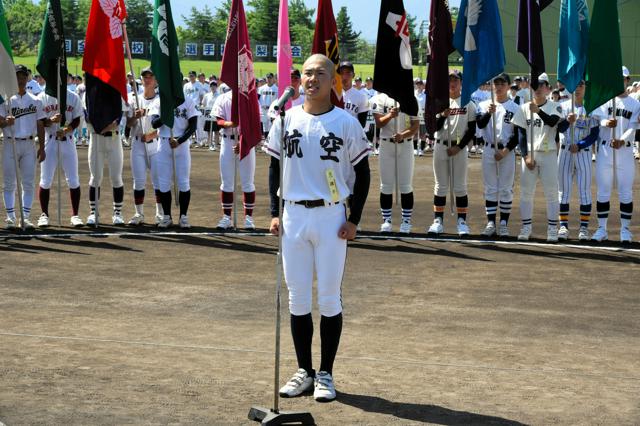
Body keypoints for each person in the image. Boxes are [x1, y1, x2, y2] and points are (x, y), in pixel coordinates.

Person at [268, 54, 370, 402]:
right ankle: (303, 371)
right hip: (293, 215)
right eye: (307, 73)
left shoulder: (345, 123)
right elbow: (274, 167)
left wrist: (354, 219)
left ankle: (325, 373)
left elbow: (363, 173)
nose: (312, 78)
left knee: (328, 298)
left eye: (320, 73)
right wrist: (274, 211)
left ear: (333, 82)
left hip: (331, 218)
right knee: (297, 298)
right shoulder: (286, 119)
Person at [591, 66, 640, 242]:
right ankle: (601, 229)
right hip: (605, 150)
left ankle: (625, 230)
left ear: (627, 80)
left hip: (625, 151)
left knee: (625, 192)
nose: (621, 81)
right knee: (603, 192)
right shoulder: (605, 99)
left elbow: (634, 127)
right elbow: (597, 117)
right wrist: (605, 121)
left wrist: (622, 140)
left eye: (624, 78)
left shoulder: (635, 104)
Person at [511, 73, 562, 242]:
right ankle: (526, 227)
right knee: (526, 193)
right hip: (530, 156)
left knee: (551, 193)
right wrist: (525, 156)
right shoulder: (524, 108)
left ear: (548, 88)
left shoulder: (555, 106)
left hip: (548, 154)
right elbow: (521, 134)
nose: (539, 89)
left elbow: (553, 122)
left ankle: (552, 229)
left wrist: (538, 111)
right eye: (536, 86)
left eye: (542, 85)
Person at [427, 69, 476, 236]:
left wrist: (459, 147)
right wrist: (442, 114)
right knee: (440, 186)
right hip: (441, 146)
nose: (452, 83)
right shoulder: (439, 101)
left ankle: (462, 222)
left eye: (456, 80)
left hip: (458, 148)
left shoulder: (468, 103)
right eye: (450, 80)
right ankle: (438, 221)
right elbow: (433, 127)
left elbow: (472, 130)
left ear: (461, 83)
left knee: (460, 187)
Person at [476, 73, 523, 237]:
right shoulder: (483, 105)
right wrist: (489, 113)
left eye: (503, 83)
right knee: (490, 187)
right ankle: (490, 222)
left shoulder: (515, 108)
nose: (499, 86)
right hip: (489, 148)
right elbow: (480, 124)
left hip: (507, 151)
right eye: (496, 83)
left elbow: (518, 135)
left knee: (505, 188)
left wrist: (505, 151)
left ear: (508, 86)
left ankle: (503, 223)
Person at [0, 65, 46, 229]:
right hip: (10, 143)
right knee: (9, 183)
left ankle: (25, 217)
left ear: (28, 78)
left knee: (28, 183)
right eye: (18, 75)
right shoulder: (6, 100)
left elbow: (40, 123)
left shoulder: (35, 100)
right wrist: (6, 121)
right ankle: (11, 217)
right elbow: (0, 121)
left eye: (23, 76)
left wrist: (42, 146)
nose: (20, 79)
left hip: (28, 144)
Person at [149, 89, 200, 228]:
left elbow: (193, 125)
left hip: (181, 145)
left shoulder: (188, 100)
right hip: (164, 143)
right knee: (164, 183)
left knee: (183, 182)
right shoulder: (159, 101)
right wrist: (167, 111)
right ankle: (167, 216)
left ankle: (183, 216)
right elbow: (154, 123)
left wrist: (180, 140)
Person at [555, 80, 599, 241]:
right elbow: (558, 129)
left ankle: (584, 229)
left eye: (581, 85)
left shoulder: (591, 108)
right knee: (564, 192)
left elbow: (594, 134)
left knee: (584, 192)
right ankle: (564, 227)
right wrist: (567, 121)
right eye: (576, 85)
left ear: (586, 87)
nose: (578, 88)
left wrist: (580, 145)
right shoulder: (562, 106)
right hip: (565, 152)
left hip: (583, 153)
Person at [371, 89, 419, 233]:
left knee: (405, 185)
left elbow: (415, 126)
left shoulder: (410, 98)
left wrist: (402, 135)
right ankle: (387, 220)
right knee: (385, 185)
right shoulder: (379, 99)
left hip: (405, 144)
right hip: (386, 143)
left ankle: (406, 221)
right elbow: (379, 123)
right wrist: (391, 115)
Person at [37, 85, 84, 227]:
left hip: (68, 140)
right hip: (49, 139)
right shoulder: (42, 97)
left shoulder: (73, 96)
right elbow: (40, 121)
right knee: (45, 180)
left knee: (73, 179)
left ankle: (75, 215)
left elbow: (76, 119)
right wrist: (50, 121)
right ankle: (44, 214)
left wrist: (67, 129)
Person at [212, 84, 258, 230]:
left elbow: (255, 123)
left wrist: (244, 142)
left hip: (246, 143)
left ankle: (248, 218)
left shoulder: (249, 99)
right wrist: (229, 123)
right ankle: (226, 217)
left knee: (248, 182)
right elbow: (218, 121)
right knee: (226, 182)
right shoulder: (223, 98)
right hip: (227, 140)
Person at [125, 67, 164, 226]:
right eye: (144, 76)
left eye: (150, 76)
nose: (147, 79)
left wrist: (152, 134)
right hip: (137, 143)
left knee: (158, 181)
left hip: (155, 144)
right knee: (139, 181)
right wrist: (135, 115)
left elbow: (164, 126)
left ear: (155, 80)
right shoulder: (134, 99)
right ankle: (138, 213)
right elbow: (128, 124)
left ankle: (160, 214)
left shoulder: (160, 101)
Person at [338, 61, 369, 128]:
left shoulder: (362, 96)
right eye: (341, 73)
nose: (344, 76)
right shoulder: (332, 95)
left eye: (348, 73)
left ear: (353, 75)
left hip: (352, 134)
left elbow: (362, 124)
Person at [202, 80, 220, 152]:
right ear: (210, 86)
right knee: (209, 131)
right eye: (211, 85)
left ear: (216, 86)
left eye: (214, 85)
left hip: (216, 114)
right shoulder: (207, 95)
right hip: (208, 115)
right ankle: (210, 144)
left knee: (216, 130)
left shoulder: (219, 95)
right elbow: (204, 104)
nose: (213, 87)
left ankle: (215, 145)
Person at [258, 72, 278, 139]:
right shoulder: (261, 88)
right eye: (268, 78)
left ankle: (271, 141)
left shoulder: (276, 89)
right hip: (263, 109)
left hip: (272, 110)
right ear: (266, 79)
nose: (269, 79)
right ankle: (266, 141)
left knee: (271, 126)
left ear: (273, 79)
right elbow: (257, 98)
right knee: (265, 126)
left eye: (270, 78)